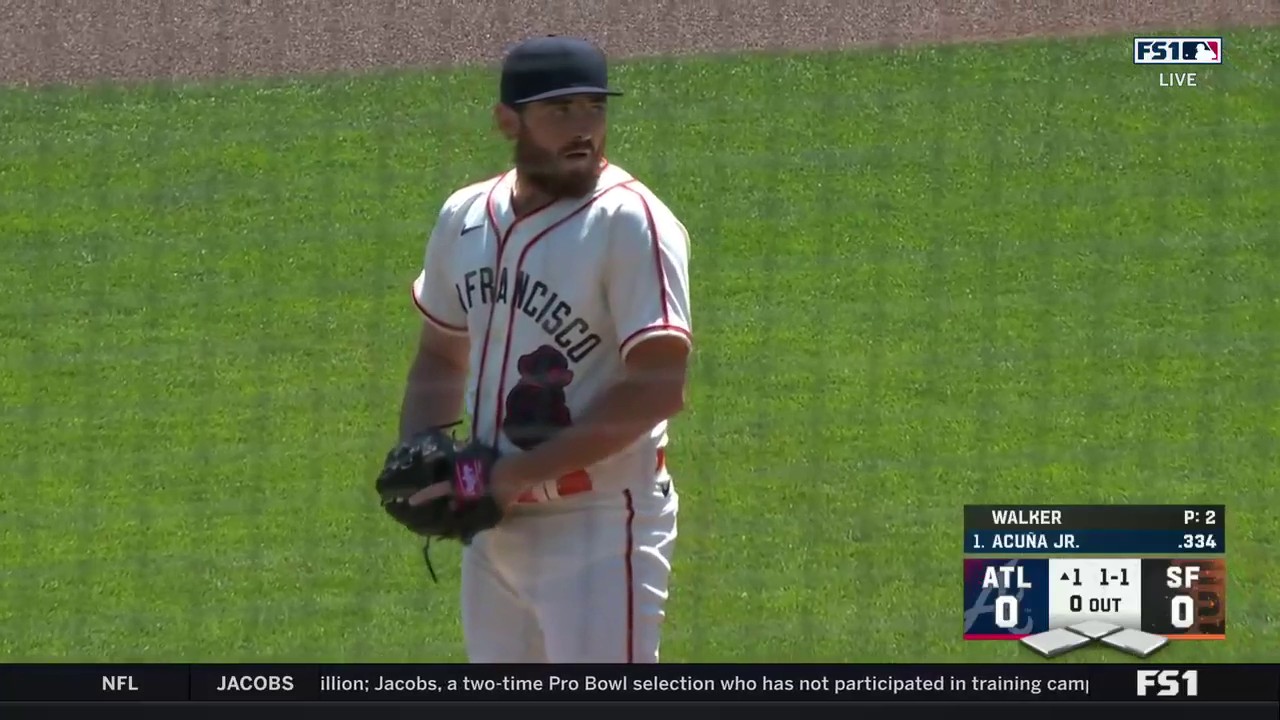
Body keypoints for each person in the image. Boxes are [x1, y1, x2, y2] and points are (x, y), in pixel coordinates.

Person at [398, 35, 692, 664]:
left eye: (594, 108)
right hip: (494, 530)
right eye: (560, 111)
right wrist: (419, 447)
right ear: (508, 120)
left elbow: (657, 388)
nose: (583, 128)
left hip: (602, 530)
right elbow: (442, 354)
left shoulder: (631, 222)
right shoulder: (465, 215)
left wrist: (509, 477)